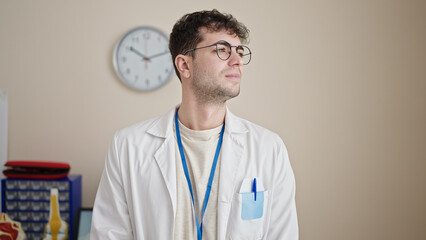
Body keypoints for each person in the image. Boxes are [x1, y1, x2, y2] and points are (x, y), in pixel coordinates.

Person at [91, 9, 298, 240]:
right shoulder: (127, 146)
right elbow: (109, 234)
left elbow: (282, 234)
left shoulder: (269, 148)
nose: (237, 61)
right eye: (222, 50)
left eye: (239, 51)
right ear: (185, 65)